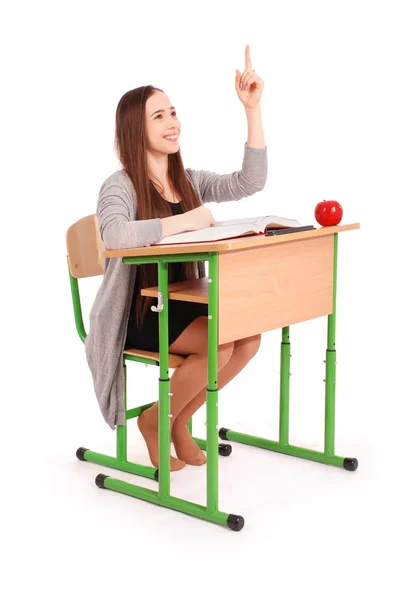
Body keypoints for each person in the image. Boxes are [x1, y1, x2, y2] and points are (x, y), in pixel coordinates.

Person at [85, 44, 267, 471]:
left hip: (180, 304)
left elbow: (250, 182)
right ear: (135, 129)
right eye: (159, 116)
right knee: (219, 343)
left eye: (173, 112)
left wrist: (252, 110)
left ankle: (173, 421)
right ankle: (158, 422)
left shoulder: (189, 180)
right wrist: (186, 221)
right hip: (138, 313)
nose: (173, 123)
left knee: (248, 338)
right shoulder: (121, 186)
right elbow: (114, 234)